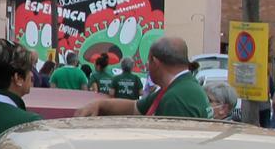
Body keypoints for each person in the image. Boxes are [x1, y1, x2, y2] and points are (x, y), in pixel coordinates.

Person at [76, 37, 210, 118]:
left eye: (148, 61)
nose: (147, 65)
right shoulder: (177, 87)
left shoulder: (176, 98)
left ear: (155, 62)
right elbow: (135, 107)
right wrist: (100, 104)